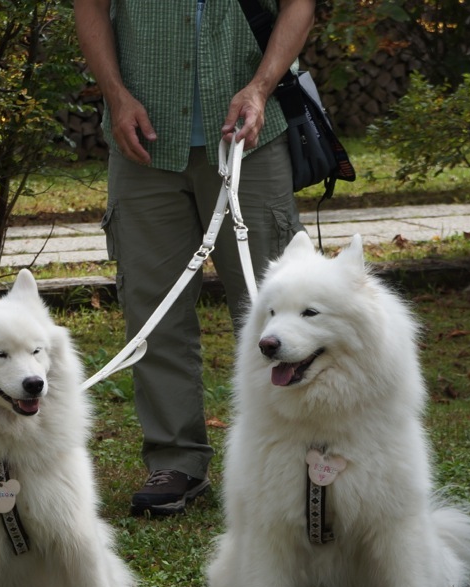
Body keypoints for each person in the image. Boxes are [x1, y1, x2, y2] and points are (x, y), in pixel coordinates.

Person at [74, 0, 312, 517]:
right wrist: (116, 97)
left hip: (252, 140)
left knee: (277, 308)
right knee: (152, 311)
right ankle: (177, 461)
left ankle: (293, 459)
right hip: (144, 142)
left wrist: (260, 87)